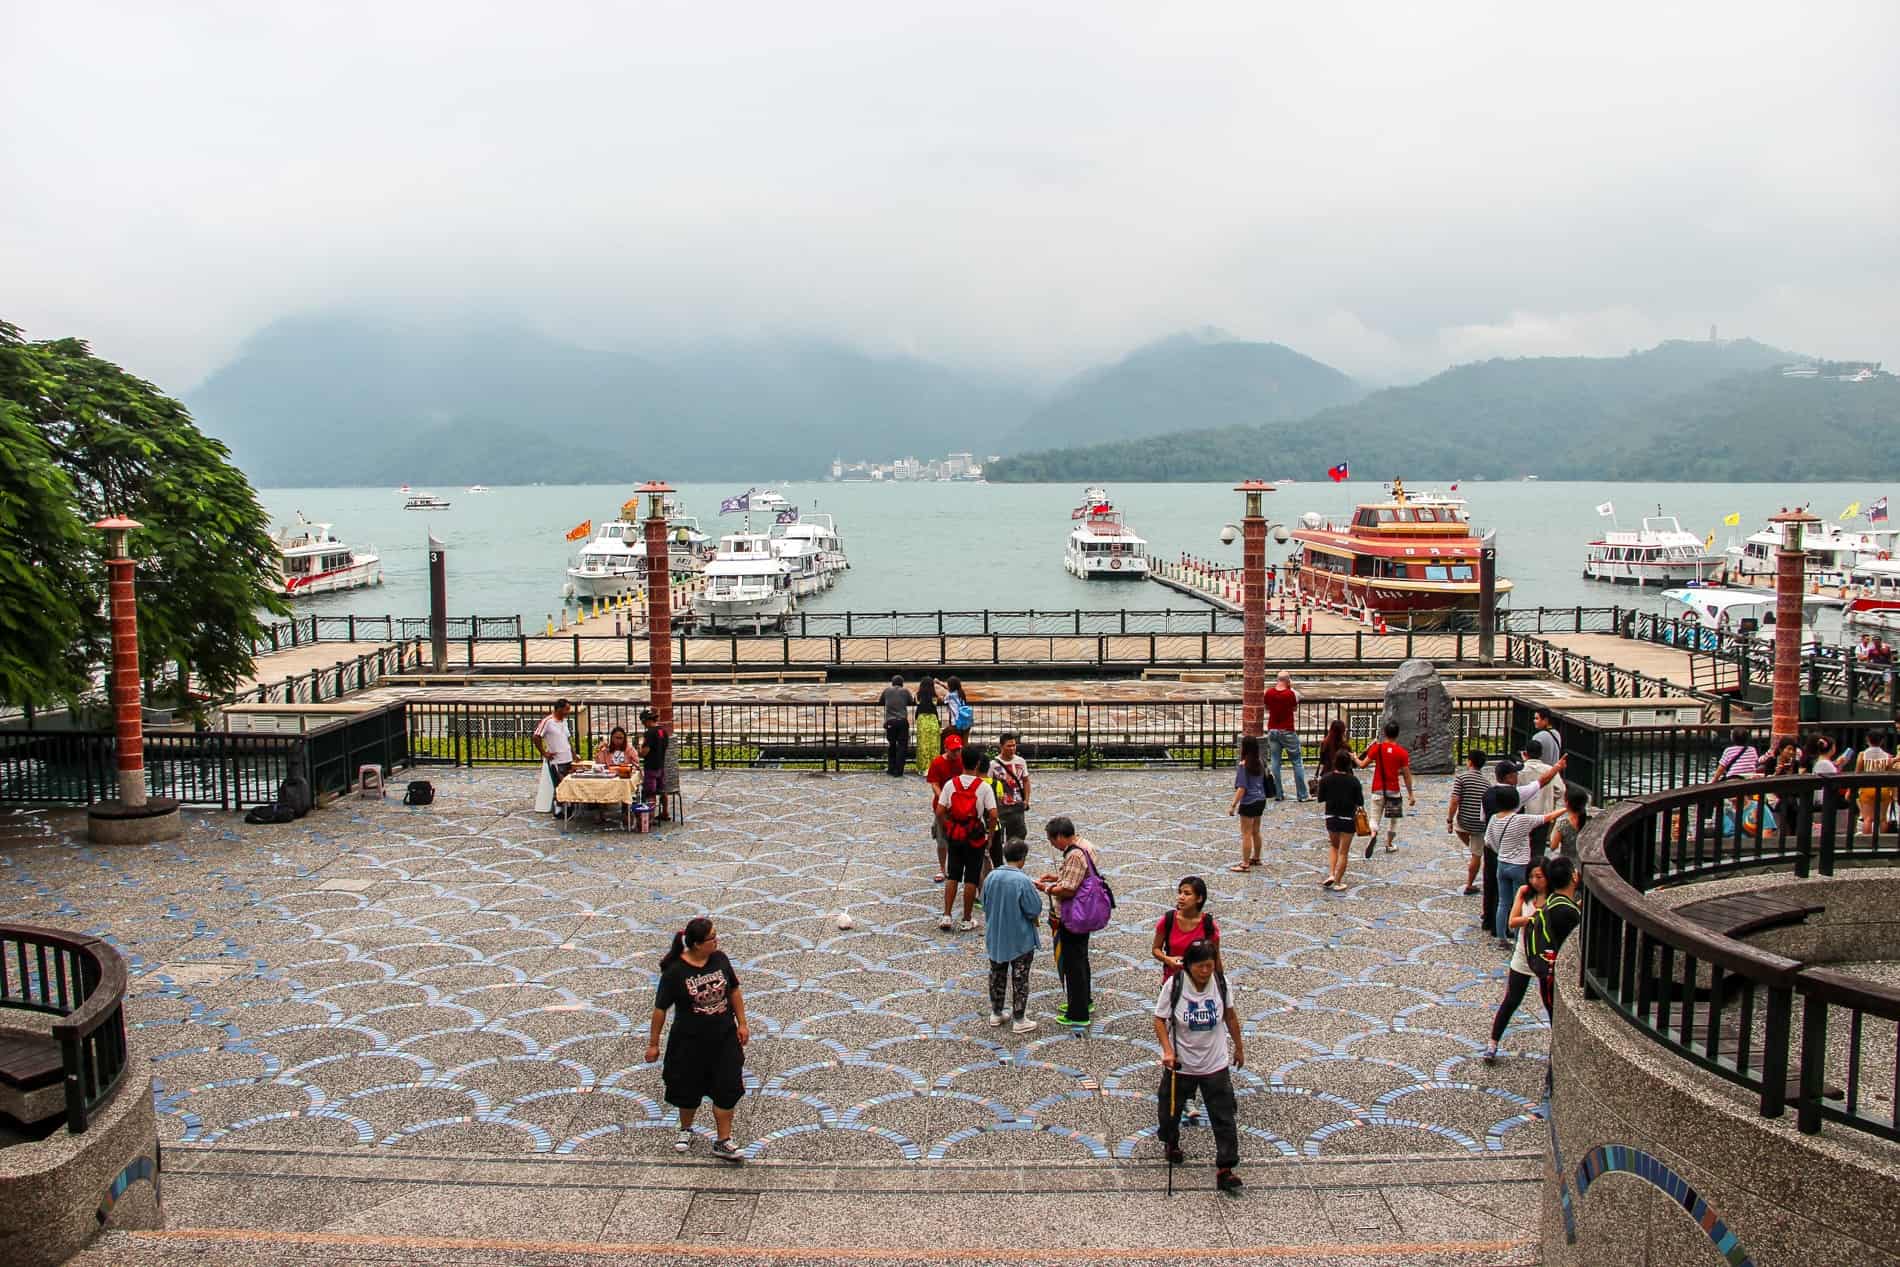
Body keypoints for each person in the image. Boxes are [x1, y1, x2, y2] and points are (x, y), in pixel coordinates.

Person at [646, 917, 749, 1163]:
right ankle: (686, 1128)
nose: (716, 941)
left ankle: (723, 1140)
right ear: (696, 944)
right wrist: (653, 1043)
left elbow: (733, 990)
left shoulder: (720, 959)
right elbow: (660, 1009)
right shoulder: (675, 972)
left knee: (727, 1086)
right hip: (688, 1042)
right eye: (711, 938)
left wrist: (742, 1023)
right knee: (687, 1087)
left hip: (723, 1038)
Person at [1153, 939, 1245, 1193]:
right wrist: (1167, 1051)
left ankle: (1226, 1168)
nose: (1206, 972)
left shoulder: (1221, 984)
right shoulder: (1175, 986)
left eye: (1210, 966)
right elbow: (1160, 1020)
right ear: (1189, 966)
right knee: (1169, 1112)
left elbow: (1230, 1015)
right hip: (1182, 1064)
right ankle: (1170, 1142)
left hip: (1215, 1064)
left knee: (1224, 1116)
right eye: (1201, 967)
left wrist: (1239, 1046)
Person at [1152, 876, 1222, 1124]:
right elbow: (1156, 949)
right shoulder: (1168, 920)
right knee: (1175, 1036)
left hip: (1201, 988)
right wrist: (1168, 960)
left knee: (1197, 1034)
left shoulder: (1208, 925)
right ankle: (1175, 1081)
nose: (1181, 897)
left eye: (1187, 893)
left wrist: (1221, 987)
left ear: (1199, 898)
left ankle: (1191, 1092)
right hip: (1174, 986)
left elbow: (1216, 958)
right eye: (1180, 892)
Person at [1480, 758, 1567, 937]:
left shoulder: (1488, 794)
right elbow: (1542, 783)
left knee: (1493, 888)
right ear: (1509, 777)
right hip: (1516, 860)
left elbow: (1484, 827)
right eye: (1515, 774)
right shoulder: (1517, 799)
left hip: (1495, 851)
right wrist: (1557, 767)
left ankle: (1492, 923)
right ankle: (1513, 930)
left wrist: (1496, 847)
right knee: (1515, 896)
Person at [1483, 859, 1548, 1062]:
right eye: (1532, 876)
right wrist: (1533, 918)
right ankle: (1492, 1043)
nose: (1535, 881)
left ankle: (1557, 1052)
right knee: (1511, 999)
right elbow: (1513, 922)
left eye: (1539, 876)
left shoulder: (1555, 897)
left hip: (1545, 955)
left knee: (1550, 1003)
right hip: (1522, 953)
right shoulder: (1524, 892)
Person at [1037, 816, 1100, 1027]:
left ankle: (1078, 1013)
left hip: (1073, 915)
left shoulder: (1073, 855)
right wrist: (1056, 877)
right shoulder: (1085, 845)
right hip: (1086, 913)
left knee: (1073, 964)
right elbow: (1078, 877)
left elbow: (1069, 889)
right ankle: (1084, 1000)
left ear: (1061, 836)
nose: (1052, 845)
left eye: (1052, 840)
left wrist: (1046, 888)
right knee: (1081, 959)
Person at [981, 839, 1043, 1033]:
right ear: (1023, 858)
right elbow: (1034, 908)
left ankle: (996, 1013)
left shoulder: (991, 876)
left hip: (996, 935)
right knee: (1020, 978)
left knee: (997, 975)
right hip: (1020, 938)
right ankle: (1019, 1018)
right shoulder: (1022, 880)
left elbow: (983, 902)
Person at [936, 745, 998, 931]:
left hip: (956, 833)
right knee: (971, 876)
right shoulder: (984, 787)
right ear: (978, 764)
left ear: (962, 762)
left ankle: (946, 915)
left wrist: (947, 825)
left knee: (953, 874)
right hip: (975, 835)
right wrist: (990, 835)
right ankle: (966, 918)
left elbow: (940, 810)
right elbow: (993, 813)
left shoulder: (950, 784)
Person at [1484, 798, 1542, 949]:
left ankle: (1501, 938)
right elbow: (1546, 818)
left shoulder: (1494, 818)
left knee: (1503, 902)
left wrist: (1500, 852)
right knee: (1520, 903)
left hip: (1502, 864)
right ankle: (1517, 939)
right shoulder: (1522, 819)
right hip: (1519, 866)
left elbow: (1488, 841)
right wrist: (1566, 808)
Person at [1359, 721, 1415, 857]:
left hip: (1378, 789)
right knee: (1393, 820)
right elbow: (1407, 775)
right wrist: (1410, 794)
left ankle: (1373, 834)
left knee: (1374, 817)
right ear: (1397, 735)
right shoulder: (1402, 753)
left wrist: (1355, 758)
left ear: (1384, 733)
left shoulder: (1377, 748)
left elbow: (1362, 765)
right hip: (1394, 790)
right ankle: (1389, 844)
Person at [1317, 750, 1364, 892]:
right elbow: (1360, 801)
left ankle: (1331, 873)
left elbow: (1321, 798)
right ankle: (1338, 881)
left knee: (1333, 846)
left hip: (1331, 817)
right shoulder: (1353, 781)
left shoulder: (1326, 778)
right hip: (1348, 818)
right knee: (1343, 852)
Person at [924, 729, 967, 883]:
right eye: (954, 750)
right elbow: (934, 784)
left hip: (961, 806)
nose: (957, 753)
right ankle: (942, 869)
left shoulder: (963, 761)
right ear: (946, 748)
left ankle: (958, 867)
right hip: (942, 807)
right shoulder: (937, 763)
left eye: (959, 750)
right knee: (942, 840)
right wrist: (944, 798)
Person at [1447, 750, 1489, 895]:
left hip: (1463, 821)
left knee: (1460, 830)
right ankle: (1470, 883)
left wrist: (1449, 819)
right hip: (1479, 823)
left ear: (1469, 762)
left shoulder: (1462, 778)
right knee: (1477, 853)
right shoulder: (1486, 783)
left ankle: (1469, 884)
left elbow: (1454, 801)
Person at [1262, 671, 1309, 802]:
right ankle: (1302, 794)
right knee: (1296, 761)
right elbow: (1294, 708)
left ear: (1277, 680)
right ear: (1288, 681)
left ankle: (1278, 793)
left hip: (1272, 730)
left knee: (1275, 761)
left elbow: (1266, 707)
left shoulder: (1269, 693)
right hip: (1287, 730)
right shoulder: (1290, 694)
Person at [1228, 735, 1270, 873]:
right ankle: (1257, 857)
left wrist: (1233, 804)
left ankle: (1245, 863)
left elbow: (1242, 788)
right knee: (1256, 831)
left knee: (1246, 833)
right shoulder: (1261, 761)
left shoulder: (1244, 765)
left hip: (1248, 801)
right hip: (1261, 799)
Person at [989, 731, 1031, 857]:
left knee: (1018, 837)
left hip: (1017, 805)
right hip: (1000, 806)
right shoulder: (993, 765)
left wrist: (1026, 800)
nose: (1012, 748)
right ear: (1001, 746)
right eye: (1009, 746)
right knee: (998, 837)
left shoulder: (1021, 761)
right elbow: (989, 785)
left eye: (1014, 745)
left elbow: (1026, 781)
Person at [534, 699, 575, 819]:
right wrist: (544, 753)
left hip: (567, 758)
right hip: (556, 760)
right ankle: (558, 808)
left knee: (568, 782)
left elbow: (567, 739)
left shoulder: (564, 721)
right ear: (559, 709)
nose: (568, 712)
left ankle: (568, 805)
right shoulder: (548, 721)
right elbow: (536, 737)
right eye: (566, 709)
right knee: (559, 784)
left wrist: (573, 754)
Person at [1854, 729, 1895, 837]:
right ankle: (1882, 842)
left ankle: (1867, 843)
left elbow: (1857, 773)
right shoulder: (1888, 756)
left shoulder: (1862, 755)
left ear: (1867, 740)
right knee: (1882, 819)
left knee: (1868, 818)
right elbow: (1890, 775)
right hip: (1884, 789)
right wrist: (1893, 793)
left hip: (1867, 788)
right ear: (1882, 741)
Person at [879, 674, 913, 778]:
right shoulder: (905, 691)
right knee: (902, 746)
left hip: (890, 722)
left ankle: (891, 768)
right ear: (902, 683)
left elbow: (880, 701)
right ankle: (899, 770)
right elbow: (911, 701)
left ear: (892, 683)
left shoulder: (887, 691)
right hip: (902, 721)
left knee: (892, 745)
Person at [638, 708, 670, 819]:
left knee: (650, 792)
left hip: (651, 767)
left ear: (646, 721)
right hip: (661, 766)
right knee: (662, 790)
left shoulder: (649, 733)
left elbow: (644, 752)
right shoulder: (663, 731)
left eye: (643, 722)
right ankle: (665, 812)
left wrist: (639, 748)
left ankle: (650, 817)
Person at [1547, 786, 1590, 861]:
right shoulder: (1589, 822)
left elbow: (1553, 847)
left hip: (1567, 864)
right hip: (1584, 862)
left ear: (1567, 803)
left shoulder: (1563, 824)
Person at [914, 675, 942, 777]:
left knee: (923, 745)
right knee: (934, 745)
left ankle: (923, 768)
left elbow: (916, 702)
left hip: (922, 721)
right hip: (933, 720)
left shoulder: (918, 696)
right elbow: (938, 701)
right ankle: (934, 768)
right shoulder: (934, 697)